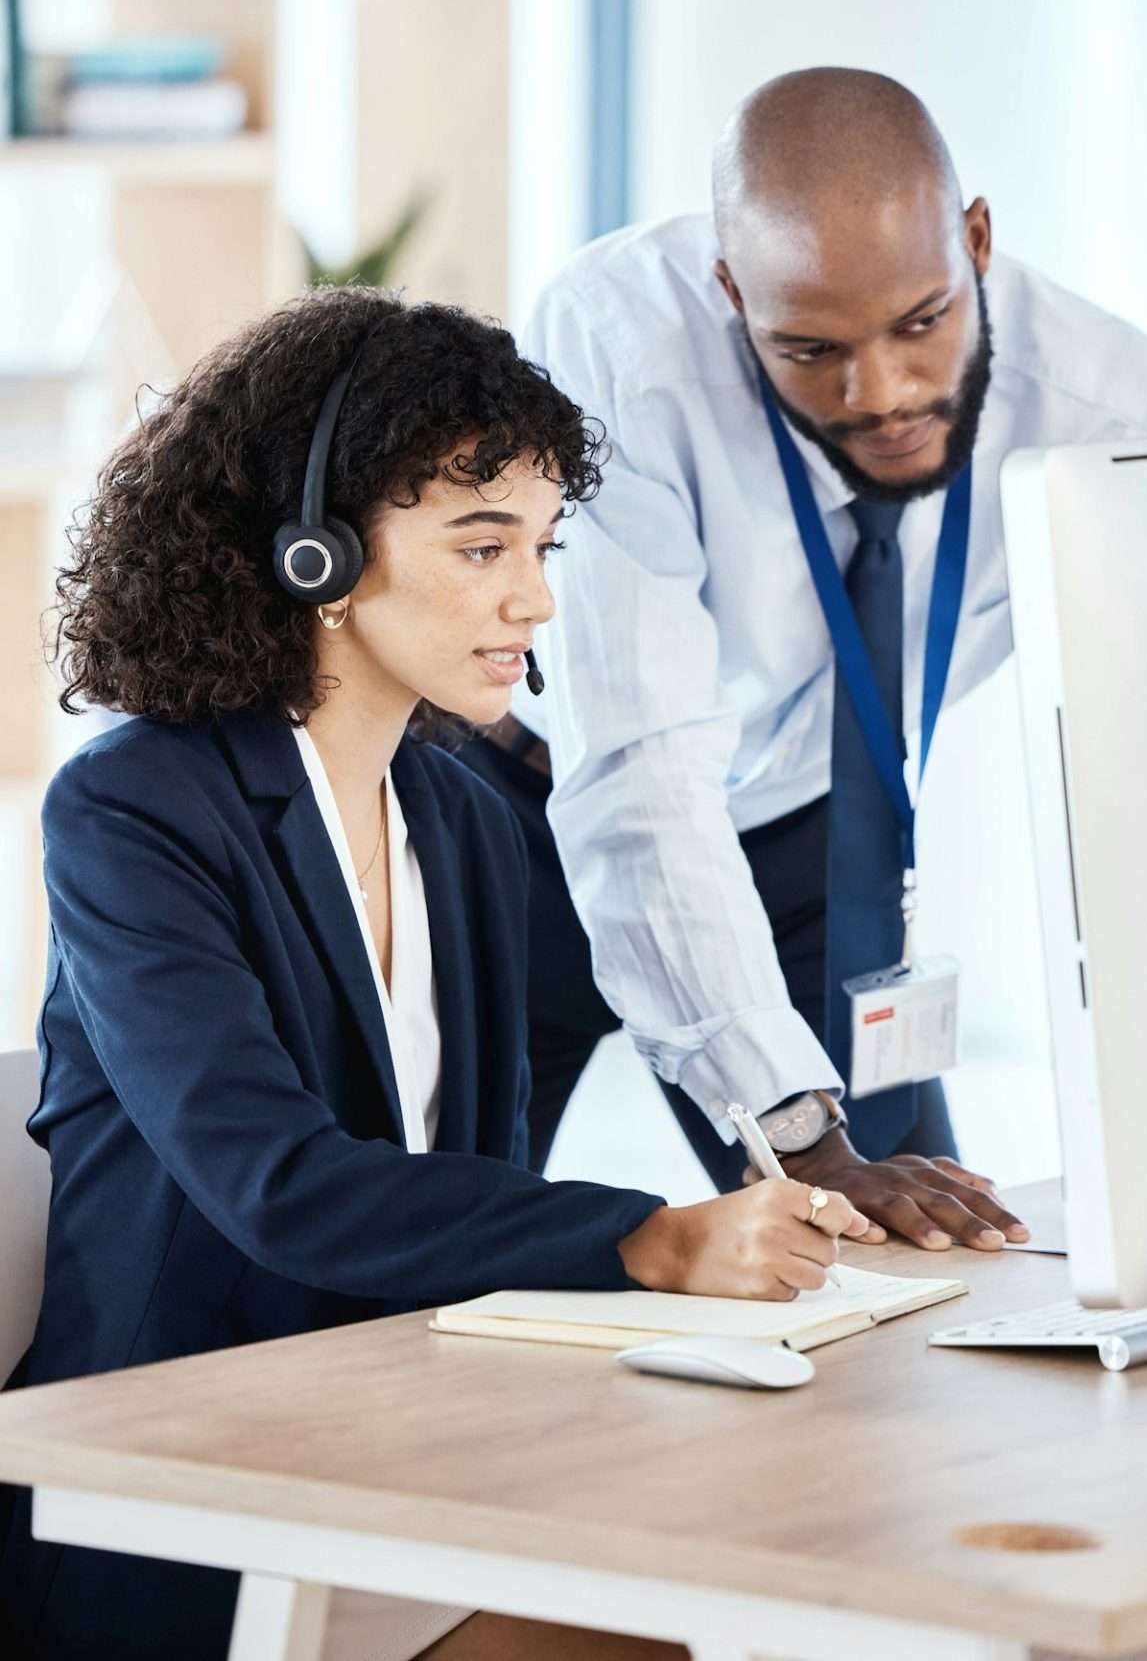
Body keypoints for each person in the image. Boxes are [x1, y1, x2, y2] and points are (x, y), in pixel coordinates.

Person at [0, 286, 857, 1661]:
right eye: (481, 544)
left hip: (407, 1450)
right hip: (174, 1495)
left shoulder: (462, 819)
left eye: (541, 544)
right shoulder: (133, 808)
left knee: (763, 1590)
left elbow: (472, 1187)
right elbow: (276, 1181)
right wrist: (650, 1233)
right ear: (319, 556)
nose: (535, 597)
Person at [459, 67, 1147, 1243]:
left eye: (920, 322)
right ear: (729, 291)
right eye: (809, 348)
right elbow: (640, 771)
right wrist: (801, 1136)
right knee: (443, 1260)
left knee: (919, 1255)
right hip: (519, 822)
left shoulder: (1115, 411)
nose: (882, 393)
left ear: (975, 241)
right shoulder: (617, 342)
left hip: (812, 830)